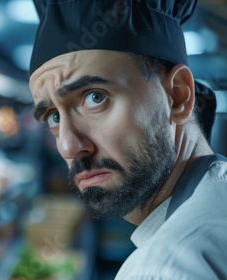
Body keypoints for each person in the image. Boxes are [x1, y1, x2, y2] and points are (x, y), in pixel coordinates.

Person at [28, 0, 227, 278]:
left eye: (94, 98)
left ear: (178, 96)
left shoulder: (164, 268)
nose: (68, 146)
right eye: (54, 117)